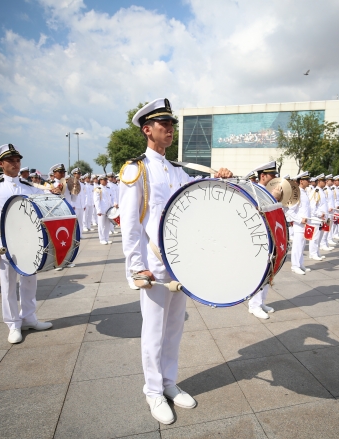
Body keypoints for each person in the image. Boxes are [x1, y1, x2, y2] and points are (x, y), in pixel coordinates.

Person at [119, 98, 232, 425]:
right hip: (153, 265)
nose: (170, 129)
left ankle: (169, 382)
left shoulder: (175, 170)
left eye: (172, 124)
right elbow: (130, 224)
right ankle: (153, 391)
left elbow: (196, 201)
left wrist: (220, 178)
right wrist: (135, 266)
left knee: (173, 330)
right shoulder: (136, 169)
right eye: (163, 124)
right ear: (147, 129)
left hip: (181, 263)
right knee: (153, 330)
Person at [0, 144, 53, 343]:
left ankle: (29, 317)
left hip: (29, 240)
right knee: (9, 284)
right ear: (0, 164)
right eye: (10, 160)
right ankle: (12, 324)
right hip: (6, 241)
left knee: (29, 280)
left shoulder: (29, 187)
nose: (15, 163)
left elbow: (45, 206)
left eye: (17, 160)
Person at [247, 161, 281, 320]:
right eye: (272, 176)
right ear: (263, 176)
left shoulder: (268, 192)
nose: (275, 179)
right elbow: (257, 212)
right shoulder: (254, 190)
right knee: (260, 272)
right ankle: (254, 305)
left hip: (270, 236)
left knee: (269, 271)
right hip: (259, 237)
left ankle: (260, 302)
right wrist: (273, 199)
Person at [286, 172, 312, 275]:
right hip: (299, 224)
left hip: (305, 224)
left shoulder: (304, 192)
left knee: (302, 245)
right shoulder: (297, 194)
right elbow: (290, 211)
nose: (309, 181)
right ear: (301, 181)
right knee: (297, 245)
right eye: (307, 180)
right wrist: (300, 220)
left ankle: (300, 264)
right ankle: (295, 265)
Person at [94, 175, 113, 245]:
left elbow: (110, 199)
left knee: (107, 225)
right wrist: (98, 210)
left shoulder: (108, 188)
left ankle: (106, 238)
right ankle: (102, 239)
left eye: (106, 180)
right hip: (101, 210)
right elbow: (97, 201)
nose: (105, 181)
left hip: (108, 209)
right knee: (101, 225)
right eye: (104, 180)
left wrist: (112, 208)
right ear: (100, 181)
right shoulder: (98, 189)